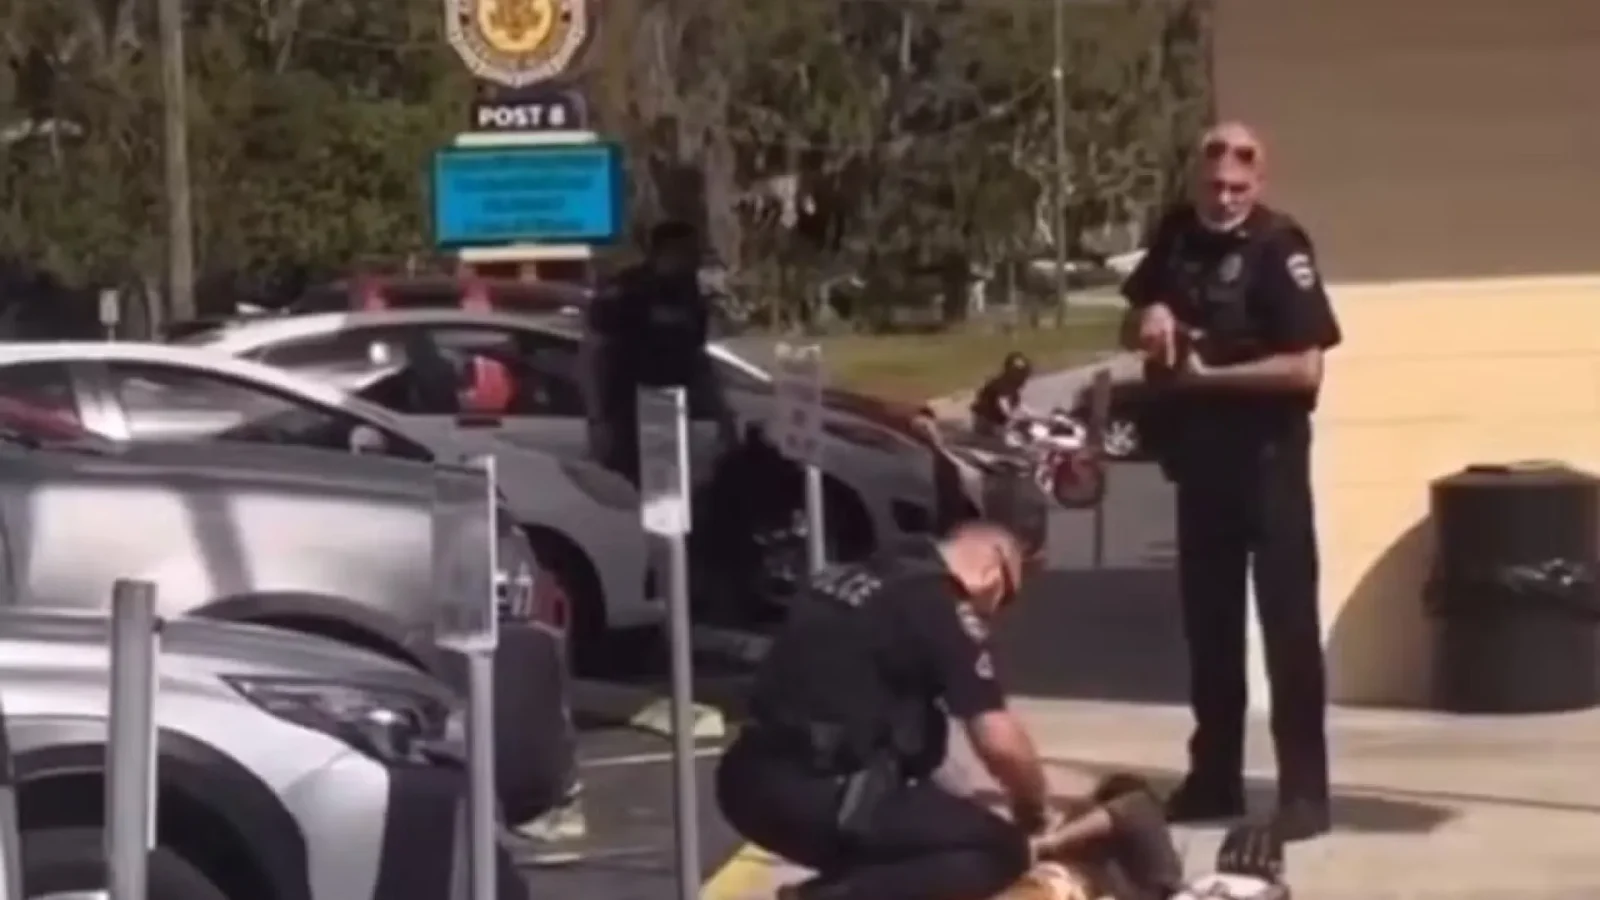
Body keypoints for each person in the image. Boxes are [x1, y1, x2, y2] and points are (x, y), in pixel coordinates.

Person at [1119, 121, 1341, 842]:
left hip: (1269, 468)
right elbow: (1141, 306)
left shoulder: (1280, 248)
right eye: (1214, 185)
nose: (1224, 198)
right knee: (1208, 631)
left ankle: (1304, 794)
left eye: (1238, 187)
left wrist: (1209, 376)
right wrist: (1153, 313)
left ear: (1259, 184)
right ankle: (1214, 779)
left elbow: (1305, 368)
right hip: (1201, 468)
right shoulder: (1178, 235)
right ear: (1197, 182)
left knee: (1288, 634)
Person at [715, 524, 1051, 900]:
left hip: (747, 781)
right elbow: (999, 741)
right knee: (1001, 851)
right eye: (1006, 598)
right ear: (993, 572)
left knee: (926, 842)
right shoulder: (935, 602)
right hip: (826, 795)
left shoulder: (851, 577)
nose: (995, 613)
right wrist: (1031, 806)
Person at [584, 220, 739, 485]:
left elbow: (697, 358)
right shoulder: (628, 290)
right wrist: (598, 418)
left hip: (671, 409)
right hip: (627, 412)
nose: (696, 260)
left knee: (669, 492)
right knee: (627, 493)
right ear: (665, 252)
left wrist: (723, 415)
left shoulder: (689, 294)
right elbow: (594, 355)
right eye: (689, 252)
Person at [971, 352, 1034, 438]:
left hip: (996, 421)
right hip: (988, 423)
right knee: (1016, 438)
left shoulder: (1012, 386)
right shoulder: (1003, 385)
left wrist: (1039, 417)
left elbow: (1020, 407)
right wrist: (1017, 418)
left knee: (1028, 427)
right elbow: (1005, 408)